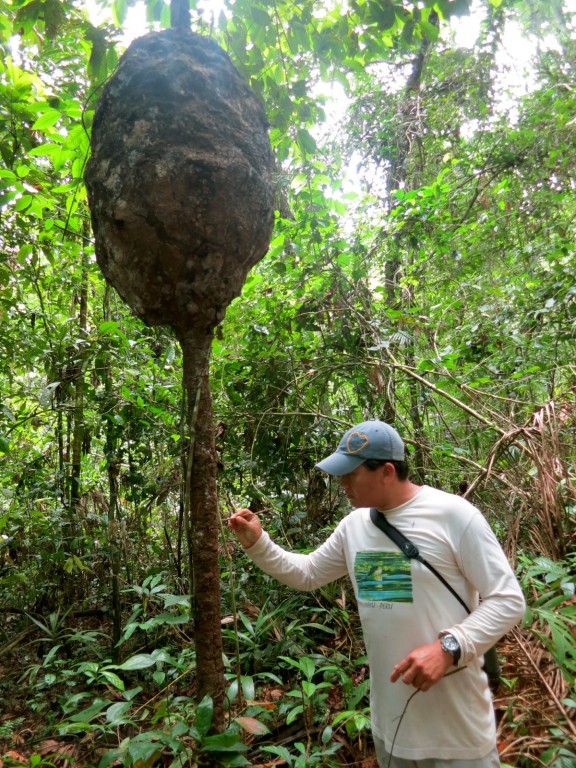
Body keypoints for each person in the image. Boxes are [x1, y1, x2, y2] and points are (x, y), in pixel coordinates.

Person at [228, 420, 526, 768]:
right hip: (392, 731)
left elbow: (507, 600)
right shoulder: (354, 527)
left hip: (457, 736)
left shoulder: (454, 516)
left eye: (351, 474)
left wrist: (449, 647)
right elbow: (307, 574)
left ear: (386, 471)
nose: (342, 483)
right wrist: (257, 544)